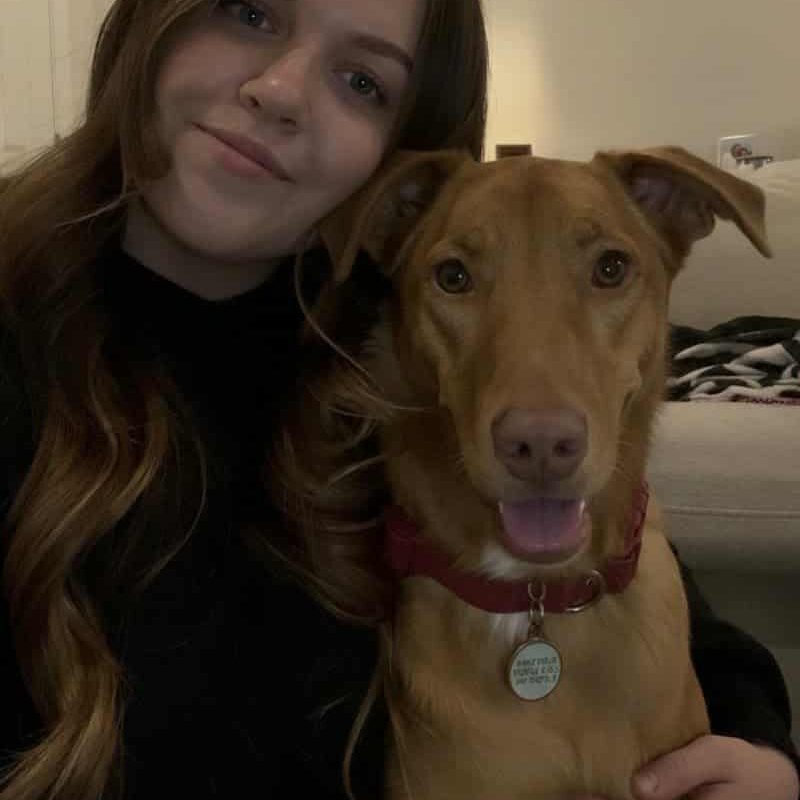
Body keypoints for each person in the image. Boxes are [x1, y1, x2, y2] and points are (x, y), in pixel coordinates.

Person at [0, 1, 796, 799]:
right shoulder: (22, 358)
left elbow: (625, 559)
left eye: (362, 80)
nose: (279, 90)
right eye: (250, 12)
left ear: (393, 157)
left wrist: (760, 745)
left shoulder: (379, 362)